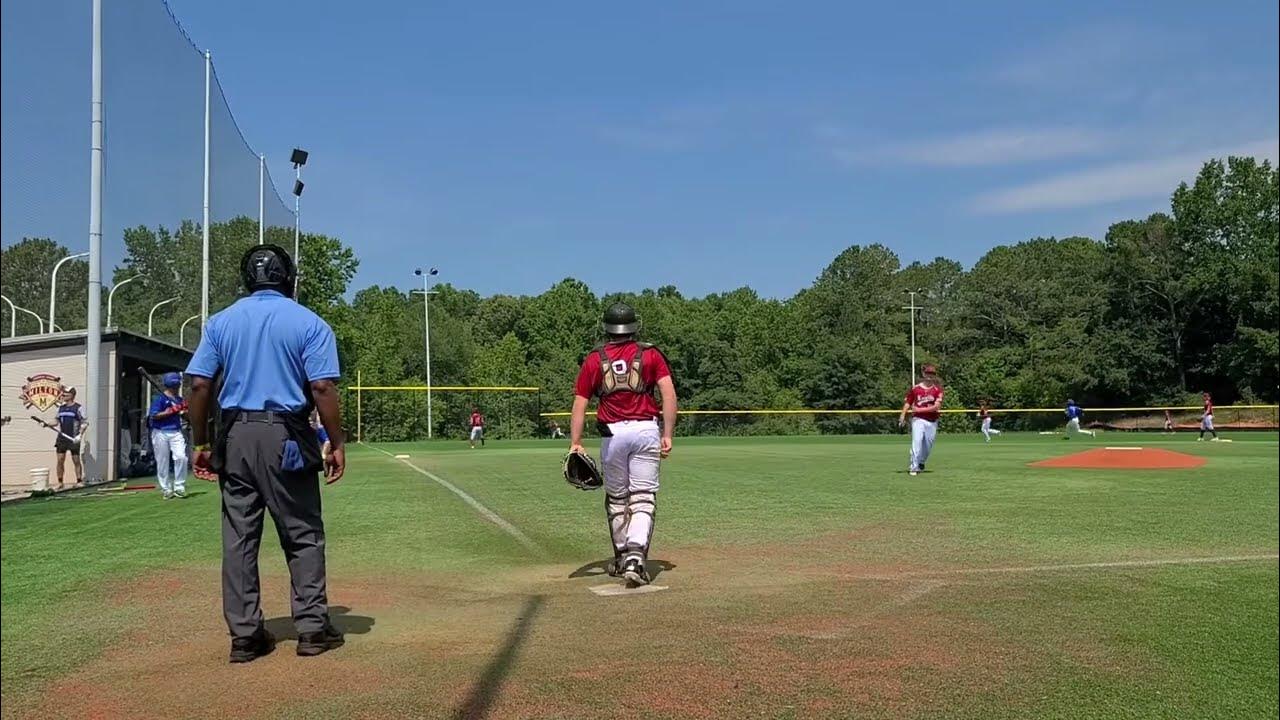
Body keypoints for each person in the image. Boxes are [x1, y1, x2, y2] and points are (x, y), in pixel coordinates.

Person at [185, 244, 346, 664]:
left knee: (239, 539)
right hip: (288, 435)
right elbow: (323, 387)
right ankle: (311, 629)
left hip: (236, 434)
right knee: (302, 533)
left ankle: (245, 637)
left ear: (246, 279)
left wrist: (201, 443)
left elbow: (200, 385)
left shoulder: (220, 322)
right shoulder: (309, 322)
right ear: (288, 278)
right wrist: (337, 442)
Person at [569, 302, 677, 586]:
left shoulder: (595, 358)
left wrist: (575, 443)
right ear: (634, 326)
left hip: (613, 435)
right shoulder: (650, 353)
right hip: (645, 430)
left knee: (617, 501)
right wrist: (668, 433)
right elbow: (668, 393)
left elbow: (580, 403)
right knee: (643, 497)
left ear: (605, 328)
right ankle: (635, 558)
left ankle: (620, 558)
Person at [149, 372, 189, 499]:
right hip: (160, 431)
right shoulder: (159, 398)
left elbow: (186, 416)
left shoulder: (179, 400)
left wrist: (183, 410)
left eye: (177, 385)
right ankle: (166, 488)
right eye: (175, 385)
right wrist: (170, 411)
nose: (177, 387)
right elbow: (154, 415)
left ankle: (179, 486)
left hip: (176, 431)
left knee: (181, 457)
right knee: (162, 461)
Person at [899, 365, 943, 476]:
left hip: (932, 421)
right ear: (923, 374)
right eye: (928, 373)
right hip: (918, 419)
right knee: (916, 442)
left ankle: (921, 462)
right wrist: (902, 415)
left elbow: (936, 407)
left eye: (932, 374)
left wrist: (919, 409)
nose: (929, 376)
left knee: (928, 446)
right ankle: (913, 467)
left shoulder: (937, 390)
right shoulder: (916, 389)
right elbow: (908, 402)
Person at [45, 387, 87, 489]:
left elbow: (84, 423)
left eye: (66, 395)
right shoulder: (61, 408)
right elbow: (56, 422)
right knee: (60, 460)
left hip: (73, 437)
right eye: (63, 395)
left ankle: (79, 481)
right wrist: (46, 424)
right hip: (62, 437)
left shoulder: (78, 408)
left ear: (72, 395)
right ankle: (60, 482)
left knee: (76, 460)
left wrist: (79, 435)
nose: (63, 396)